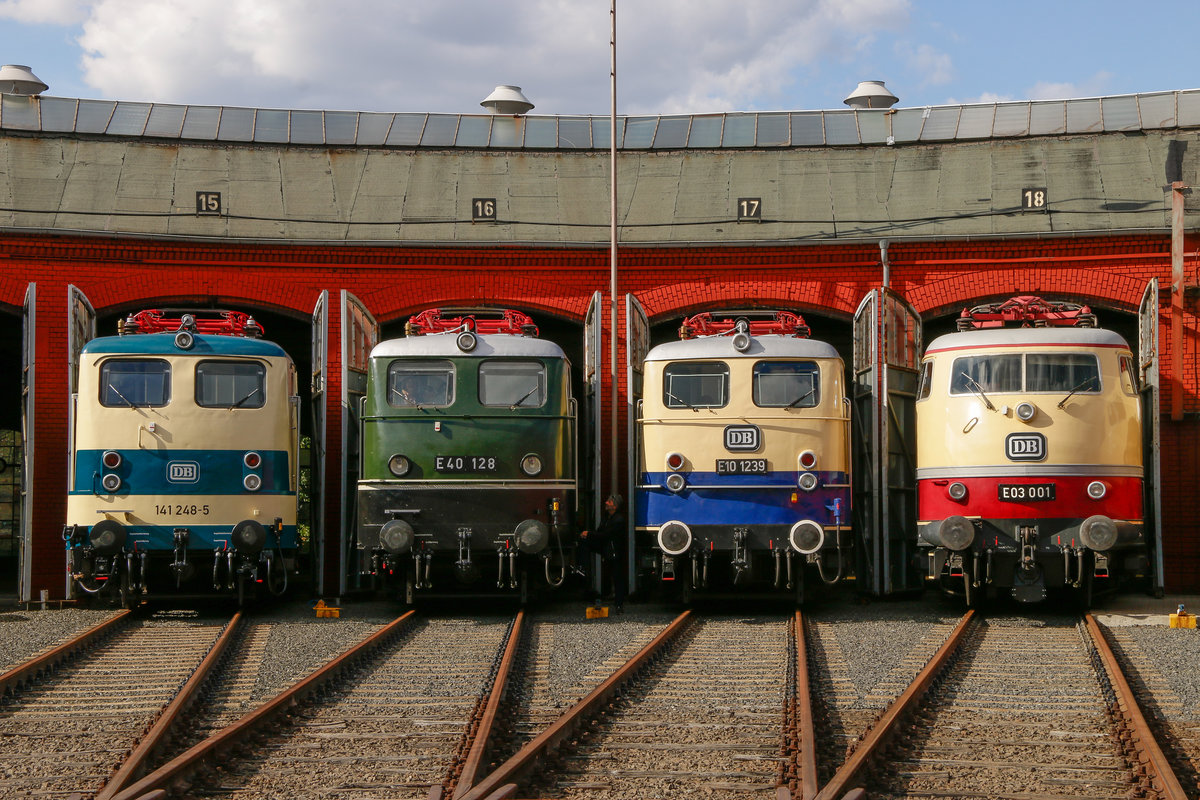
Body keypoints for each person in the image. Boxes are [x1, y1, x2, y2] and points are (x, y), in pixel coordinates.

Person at [578, 493, 627, 611]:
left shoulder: (618, 520)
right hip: (606, 548)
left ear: (614, 506)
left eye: (609, 502)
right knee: (583, 543)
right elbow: (600, 532)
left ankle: (619, 604)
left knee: (617, 577)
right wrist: (588, 536)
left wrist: (589, 534)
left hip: (614, 552)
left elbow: (606, 535)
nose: (606, 503)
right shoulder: (607, 517)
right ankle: (583, 567)